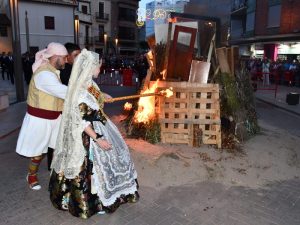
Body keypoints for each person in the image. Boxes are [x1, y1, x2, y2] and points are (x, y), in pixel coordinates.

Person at [49, 49, 139, 219]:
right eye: (98, 66)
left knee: (112, 160)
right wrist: (98, 139)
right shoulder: (80, 93)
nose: (100, 68)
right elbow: (81, 121)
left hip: (100, 125)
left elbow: (96, 96)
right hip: (88, 134)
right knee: (91, 168)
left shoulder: (89, 83)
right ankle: (95, 202)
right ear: (90, 67)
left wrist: (105, 96)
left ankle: (108, 194)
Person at [16, 42, 68, 190]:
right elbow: (62, 91)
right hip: (39, 119)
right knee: (38, 151)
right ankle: (31, 175)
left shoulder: (51, 71)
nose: (65, 61)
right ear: (56, 57)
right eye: (64, 58)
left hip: (55, 117)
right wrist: (88, 93)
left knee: (59, 147)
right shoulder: (44, 74)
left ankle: (59, 173)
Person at [47, 43, 81, 171]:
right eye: (75, 55)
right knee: (56, 138)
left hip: (73, 107)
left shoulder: (76, 68)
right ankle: (53, 166)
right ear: (67, 57)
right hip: (61, 109)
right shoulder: (62, 70)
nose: (79, 57)